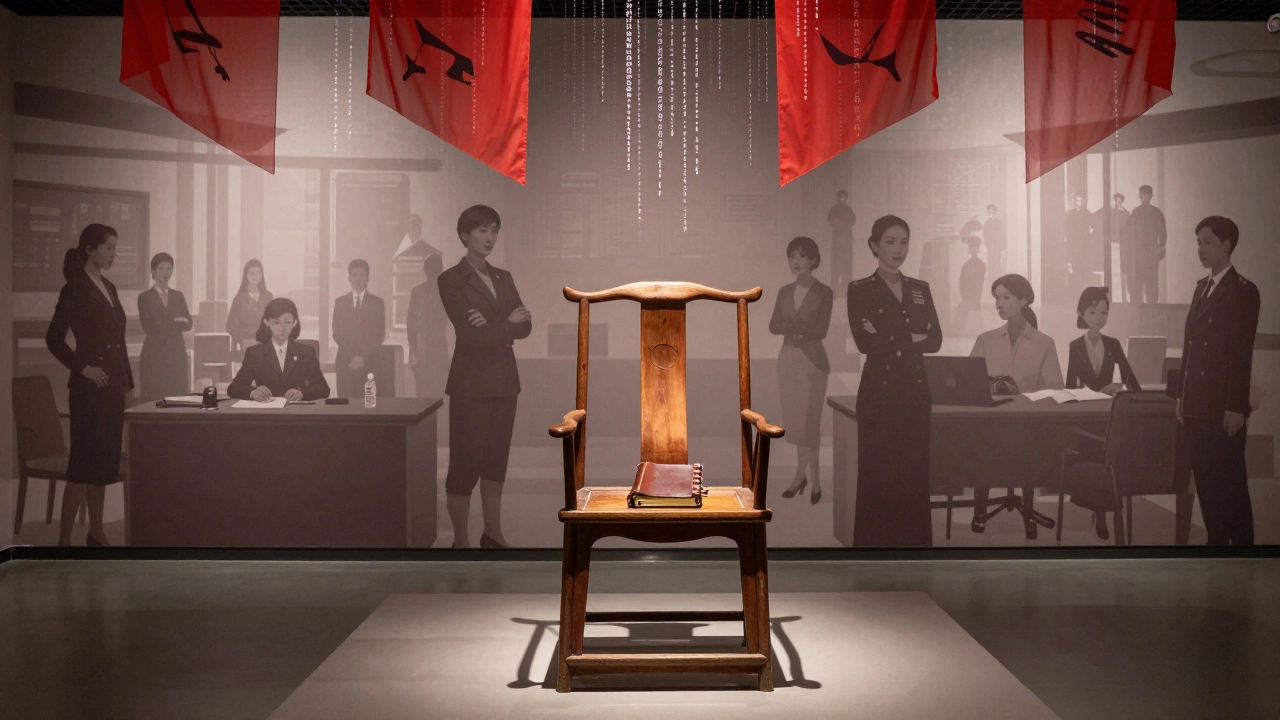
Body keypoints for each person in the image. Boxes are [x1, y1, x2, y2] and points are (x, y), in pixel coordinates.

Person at [438, 205, 532, 548]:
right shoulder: (450, 279)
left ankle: (493, 533)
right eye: (482, 230)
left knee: (495, 462)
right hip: (470, 385)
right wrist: (507, 324)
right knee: (464, 463)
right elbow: (470, 334)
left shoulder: (503, 277)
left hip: (505, 383)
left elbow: (526, 325)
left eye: (494, 230)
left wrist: (495, 325)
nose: (489, 237)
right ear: (465, 235)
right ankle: (460, 540)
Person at [847, 215, 942, 547]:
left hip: (915, 391)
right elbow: (866, 342)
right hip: (879, 393)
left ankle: (915, 549)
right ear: (874, 245)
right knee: (878, 472)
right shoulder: (860, 289)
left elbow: (935, 340)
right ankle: (874, 550)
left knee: (914, 472)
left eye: (904, 241)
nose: (898, 249)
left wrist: (889, 334)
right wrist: (912, 335)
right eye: (890, 241)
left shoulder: (919, 288)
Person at [45, 224, 133, 546]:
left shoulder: (109, 286)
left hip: (112, 388)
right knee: (83, 467)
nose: (113, 254)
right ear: (89, 250)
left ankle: (96, 533)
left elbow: (119, 342)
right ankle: (64, 543)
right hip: (87, 391)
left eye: (115, 248)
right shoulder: (75, 288)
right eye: (108, 248)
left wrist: (127, 384)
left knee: (103, 466)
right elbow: (53, 339)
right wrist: (83, 368)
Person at [1179, 216, 1260, 545]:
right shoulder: (1201, 287)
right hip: (1196, 405)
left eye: (1208, 242)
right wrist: (1181, 397)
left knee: (1232, 486)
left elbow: (1242, 353)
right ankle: (1216, 546)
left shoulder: (1243, 291)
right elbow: (1190, 347)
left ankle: (1242, 552)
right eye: (1198, 242)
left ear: (1227, 246)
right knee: (1207, 484)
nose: (1201, 249)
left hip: (1224, 407)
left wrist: (1236, 406)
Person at [969, 274, 1064, 539]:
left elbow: (1054, 388)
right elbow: (970, 383)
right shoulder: (985, 339)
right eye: (996, 298)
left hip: (1028, 423)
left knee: (1027, 445)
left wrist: (1020, 393)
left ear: (1023, 300)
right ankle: (979, 511)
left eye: (1006, 297)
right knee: (981, 444)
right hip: (990, 422)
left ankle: (1029, 511)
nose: (999, 303)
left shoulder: (1045, 343)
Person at [769, 237, 833, 505]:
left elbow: (820, 331)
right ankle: (800, 476)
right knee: (795, 422)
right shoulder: (784, 291)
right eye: (792, 256)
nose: (796, 261)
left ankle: (814, 479)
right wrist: (797, 328)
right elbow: (773, 326)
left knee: (810, 422)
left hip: (812, 360)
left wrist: (791, 326)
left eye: (802, 256)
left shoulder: (824, 292)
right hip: (787, 359)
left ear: (814, 260)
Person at [228, 298, 330, 401]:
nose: (282, 328)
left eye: (288, 322)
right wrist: (253, 392)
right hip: (266, 408)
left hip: (296, 408)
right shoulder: (254, 353)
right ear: (267, 322)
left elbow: (323, 389)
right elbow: (233, 388)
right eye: (277, 322)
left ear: (294, 323)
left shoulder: (306, 352)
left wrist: (302, 393)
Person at [137, 252, 193, 401]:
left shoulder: (178, 296)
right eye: (161, 268)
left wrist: (163, 322)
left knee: (177, 398)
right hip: (154, 354)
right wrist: (175, 321)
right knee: (155, 397)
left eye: (169, 268)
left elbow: (188, 324)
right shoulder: (145, 298)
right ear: (153, 271)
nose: (166, 272)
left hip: (176, 353)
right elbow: (150, 328)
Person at [1066, 286, 1140, 395]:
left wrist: (1118, 386)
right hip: (1085, 402)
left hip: (1109, 401)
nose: (1099, 318)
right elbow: (1070, 386)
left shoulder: (1113, 344)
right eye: (1092, 312)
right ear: (1080, 313)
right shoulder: (1075, 346)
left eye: (1103, 313)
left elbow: (1131, 382)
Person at [332, 259, 388, 399]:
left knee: (370, 403)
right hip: (346, 362)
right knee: (346, 404)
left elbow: (379, 335)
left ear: (368, 277)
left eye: (362, 274)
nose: (358, 278)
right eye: (354, 274)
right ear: (349, 278)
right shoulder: (340, 302)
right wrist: (352, 357)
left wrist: (362, 357)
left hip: (369, 362)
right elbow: (337, 333)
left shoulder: (377, 303)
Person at [407, 254, 450, 399]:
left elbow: (411, 324)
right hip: (423, 348)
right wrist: (413, 349)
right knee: (425, 390)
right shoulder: (418, 292)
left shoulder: (446, 291)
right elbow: (411, 323)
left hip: (435, 347)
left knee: (434, 389)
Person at [1127, 185, 1167, 304]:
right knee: (1137, 282)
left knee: (1152, 283)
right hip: (1138, 253)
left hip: (1152, 252)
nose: (1145, 197)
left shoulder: (1157, 212)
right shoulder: (1135, 212)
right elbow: (1130, 233)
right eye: (1143, 195)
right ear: (1139, 196)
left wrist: (1161, 247)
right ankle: (1136, 309)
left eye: (1147, 195)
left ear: (1151, 196)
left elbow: (1163, 232)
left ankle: (1152, 308)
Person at [226, 260, 273, 352]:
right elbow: (230, 325)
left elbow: (273, 321)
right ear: (246, 275)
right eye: (252, 273)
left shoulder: (268, 297)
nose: (255, 276)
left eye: (258, 273)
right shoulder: (239, 299)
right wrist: (242, 339)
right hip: (246, 342)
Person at [1096, 194, 1131, 301]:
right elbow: (1095, 218)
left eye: (1119, 201)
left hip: (1119, 245)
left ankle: (1119, 299)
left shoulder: (1123, 213)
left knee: (1119, 273)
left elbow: (1129, 220)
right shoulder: (1106, 211)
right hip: (1107, 245)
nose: (1116, 203)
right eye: (1115, 201)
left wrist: (1123, 210)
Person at [827, 190, 856, 298]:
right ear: (838, 198)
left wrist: (843, 224)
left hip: (846, 242)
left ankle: (845, 292)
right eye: (841, 197)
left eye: (844, 197)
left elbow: (853, 221)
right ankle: (835, 293)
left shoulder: (848, 210)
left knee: (846, 267)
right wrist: (842, 224)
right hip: (838, 242)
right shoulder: (834, 210)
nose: (843, 199)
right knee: (836, 267)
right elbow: (831, 221)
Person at [1064, 191, 1094, 296]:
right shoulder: (1068, 214)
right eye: (1076, 200)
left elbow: (1093, 227)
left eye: (1080, 200)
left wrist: (1087, 236)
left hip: (1084, 245)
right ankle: (1073, 292)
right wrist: (1069, 239)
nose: (1078, 202)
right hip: (1072, 245)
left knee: (1084, 267)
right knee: (1073, 268)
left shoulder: (1087, 213)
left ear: (1083, 201)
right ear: (1073, 201)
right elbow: (1065, 229)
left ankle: (1084, 291)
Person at [954, 235, 986, 332]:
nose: (971, 250)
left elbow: (979, 282)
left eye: (974, 248)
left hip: (974, 295)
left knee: (969, 312)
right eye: (970, 248)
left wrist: (974, 295)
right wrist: (963, 292)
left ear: (978, 249)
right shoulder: (966, 264)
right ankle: (957, 330)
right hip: (966, 295)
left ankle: (958, 330)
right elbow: (962, 280)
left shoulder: (981, 265)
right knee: (961, 311)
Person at [983, 204, 1006, 277]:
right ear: (988, 212)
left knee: (998, 264)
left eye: (993, 211)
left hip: (998, 248)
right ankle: (991, 278)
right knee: (991, 264)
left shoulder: (999, 222)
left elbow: (1003, 235)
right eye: (990, 211)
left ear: (995, 212)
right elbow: (986, 236)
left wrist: (1003, 247)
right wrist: (988, 246)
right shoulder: (987, 223)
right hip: (991, 248)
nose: (992, 213)